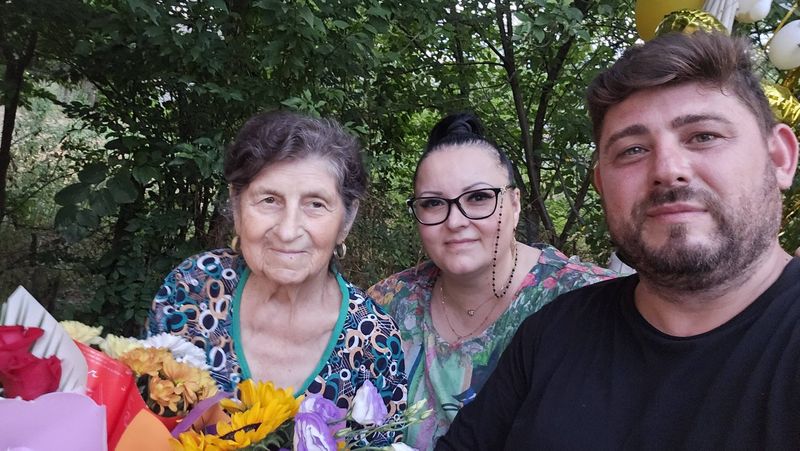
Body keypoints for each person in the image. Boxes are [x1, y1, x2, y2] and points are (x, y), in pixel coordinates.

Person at [437, 31, 800, 450]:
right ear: (601, 185)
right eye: (632, 150)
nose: (667, 169)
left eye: (704, 136)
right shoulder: (556, 331)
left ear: (780, 158)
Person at [147, 110, 406, 444]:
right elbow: (143, 417)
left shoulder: (374, 342)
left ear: (346, 220)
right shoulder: (192, 289)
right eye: (269, 200)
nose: (287, 231)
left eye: (315, 204)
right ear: (237, 206)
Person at [368, 112, 615, 450]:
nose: (455, 221)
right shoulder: (387, 305)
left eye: (479, 197)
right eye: (433, 203)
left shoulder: (589, 303)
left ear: (514, 204)